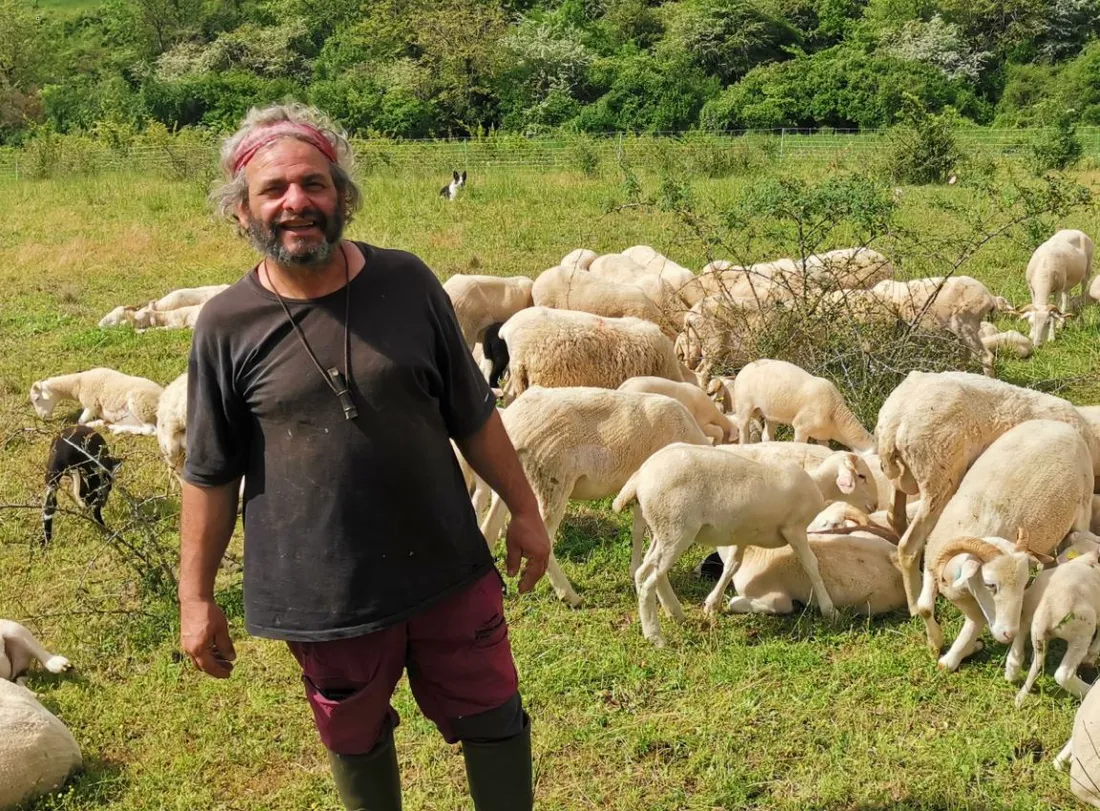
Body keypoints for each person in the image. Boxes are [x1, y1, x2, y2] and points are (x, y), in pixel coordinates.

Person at [178, 102, 551, 811]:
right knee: (354, 736)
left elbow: (472, 412)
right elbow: (210, 473)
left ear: (342, 195)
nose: (296, 202)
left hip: (445, 564)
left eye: (313, 184)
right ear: (242, 211)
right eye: (274, 189)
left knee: (494, 714)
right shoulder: (226, 325)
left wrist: (525, 510)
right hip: (325, 592)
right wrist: (195, 598)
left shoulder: (407, 282)